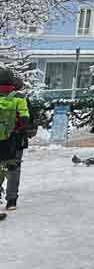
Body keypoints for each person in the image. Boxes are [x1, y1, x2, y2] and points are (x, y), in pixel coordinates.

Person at [0, 69, 30, 214]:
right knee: (14, 169)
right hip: (15, 140)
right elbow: (25, 119)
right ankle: (11, 201)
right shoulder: (19, 97)